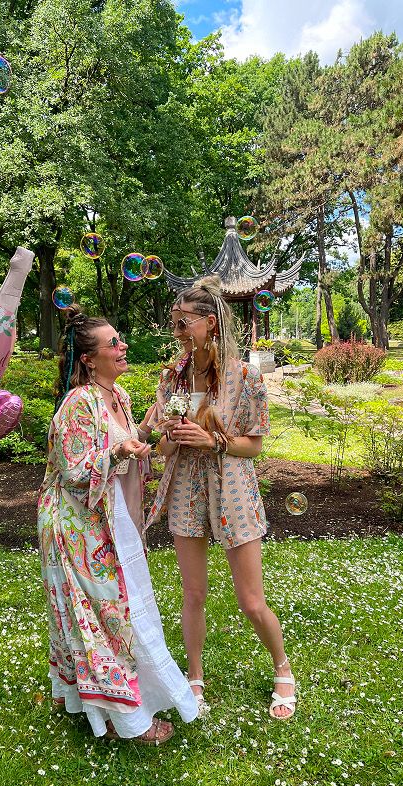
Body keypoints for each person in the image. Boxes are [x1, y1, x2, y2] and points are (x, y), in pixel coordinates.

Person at [37, 306, 198, 743]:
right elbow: (74, 472)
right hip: (76, 525)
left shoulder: (119, 396)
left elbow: (127, 447)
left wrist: (147, 433)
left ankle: (94, 700)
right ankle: (117, 719)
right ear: (90, 360)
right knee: (103, 615)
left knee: (116, 608)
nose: (122, 346)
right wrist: (121, 451)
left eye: (119, 338)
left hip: (109, 518)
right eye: (113, 343)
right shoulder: (78, 402)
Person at [145, 276, 297, 720]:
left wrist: (212, 440)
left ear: (209, 323)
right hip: (185, 489)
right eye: (174, 323)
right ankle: (194, 677)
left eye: (183, 323)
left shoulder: (245, 376)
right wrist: (170, 437)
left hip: (231, 488)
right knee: (193, 593)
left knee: (251, 600)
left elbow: (254, 446)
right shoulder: (171, 378)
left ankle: (283, 668)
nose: (177, 332)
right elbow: (163, 447)